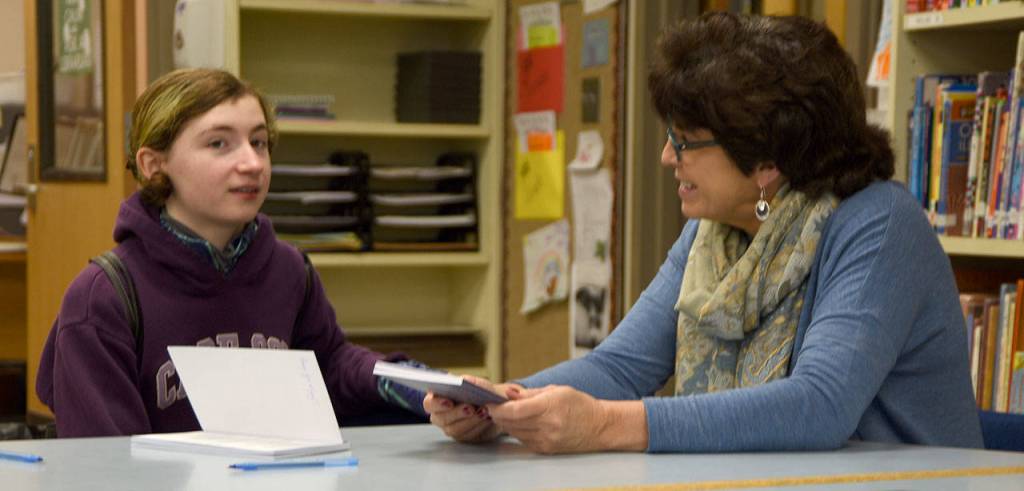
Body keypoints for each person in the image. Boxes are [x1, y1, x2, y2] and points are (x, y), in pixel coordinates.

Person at [426, 12, 983, 453]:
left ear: (766, 156)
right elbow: (620, 367)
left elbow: (819, 404)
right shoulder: (716, 232)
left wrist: (603, 426)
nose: (668, 156)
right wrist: (502, 403)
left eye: (686, 141)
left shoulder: (880, 225)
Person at [36, 68, 426, 437]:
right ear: (154, 165)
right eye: (219, 143)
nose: (252, 163)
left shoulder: (290, 270)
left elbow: (330, 368)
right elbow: (108, 466)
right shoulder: (104, 297)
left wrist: (420, 385)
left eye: (258, 142)